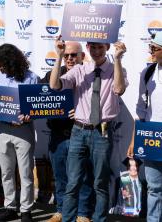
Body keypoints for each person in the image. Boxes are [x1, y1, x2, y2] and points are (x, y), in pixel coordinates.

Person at [50, 36, 128, 222]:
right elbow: (54, 85)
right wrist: (59, 56)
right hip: (78, 130)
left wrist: (117, 59)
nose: (96, 51)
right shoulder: (79, 70)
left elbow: (118, 89)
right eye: (92, 47)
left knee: (100, 183)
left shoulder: (117, 69)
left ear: (107, 47)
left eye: (100, 47)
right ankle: (68, 219)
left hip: (102, 132)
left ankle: (99, 219)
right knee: (73, 182)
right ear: (87, 48)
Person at [41, 42, 94, 222]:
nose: (70, 58)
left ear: (82, 56)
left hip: (80, 134)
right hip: (58, 135)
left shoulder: (90, 74)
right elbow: (38, 98)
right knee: (60, 175)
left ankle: (82, 213)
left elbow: (101, 102)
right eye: (67, 56)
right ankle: (62, 210)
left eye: (74, 55)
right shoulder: (52, 74)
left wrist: (79, 111)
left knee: (83, 177)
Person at [0, 44, 38, 222]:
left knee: (25, 173)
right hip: (3, 130)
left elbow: (36, 106)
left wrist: (29, 115)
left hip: (24, 131)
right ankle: (9, 207)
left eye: (1, 63)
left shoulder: (32, 77)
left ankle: (26, 210)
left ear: (11, 61)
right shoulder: (0, 78)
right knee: (6, 171)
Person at [127, 31, 162, 222]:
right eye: (151, 48)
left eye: (155, 49)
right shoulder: (147, 73)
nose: (151, 53)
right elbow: (141, 110)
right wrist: (134, 139)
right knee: (154, 187)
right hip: (153, 138)